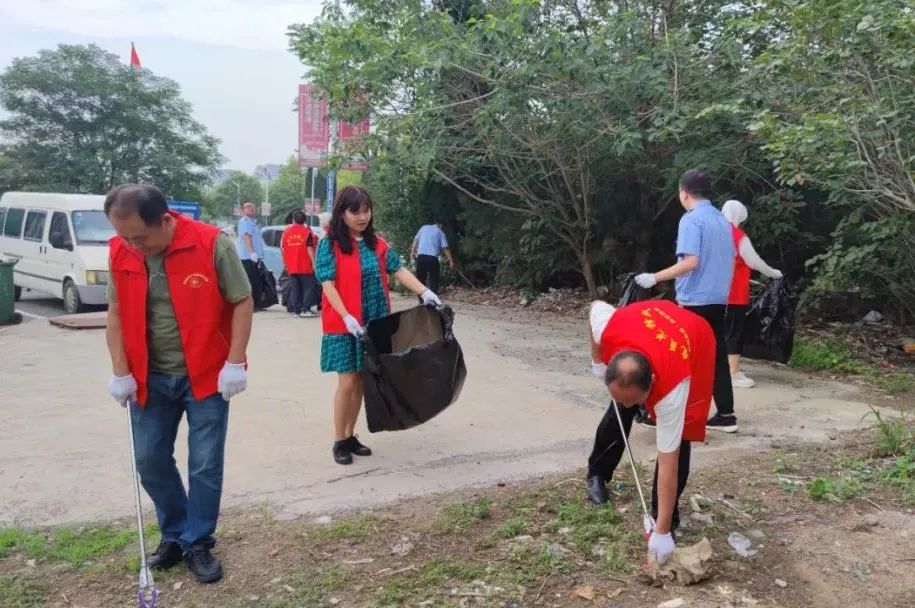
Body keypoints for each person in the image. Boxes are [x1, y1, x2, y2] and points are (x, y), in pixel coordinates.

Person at [104, 184, 253, 583]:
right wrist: (120, 370)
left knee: (204, 463)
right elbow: (116, 310)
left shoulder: (210, 244)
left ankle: (198, 540)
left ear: (166, 220)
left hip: (206, 373)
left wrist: (235, 362)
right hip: (148, 376)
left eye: (141, 237)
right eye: (126, 238)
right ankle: (175, 532)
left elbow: (242, 300)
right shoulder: (121, 251)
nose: (135, 245)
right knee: (150, 459)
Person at [317, 186, 442, 465]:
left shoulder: (377, 244)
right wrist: (346, 316)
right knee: (347, 381)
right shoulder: (330, 244)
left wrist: (424, 292)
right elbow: (327, 283)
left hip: (374, 323)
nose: (362, 217)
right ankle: (339, 440)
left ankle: (350, 435)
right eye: (355, 211)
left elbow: (397, 269)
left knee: (362, 379)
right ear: (342, 213)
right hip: (344, 325)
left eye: (366, 210)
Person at [586, 299, 715, 564]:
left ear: (652, 384)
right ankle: (597, 474)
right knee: (618, 413)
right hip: (646, 324)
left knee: (681, 434)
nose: (627, 404)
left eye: (635, 400)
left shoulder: (673, 388)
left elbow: (669, 461)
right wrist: (597, 359)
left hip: (694, 340)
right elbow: (594, 307)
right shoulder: (608, 326)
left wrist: (663, 531)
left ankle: (662, 516)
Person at [634, 169, 737, 432]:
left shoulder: (692, 220)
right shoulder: (723, 222)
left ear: (684, 193)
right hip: (718, 298)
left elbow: (690, 262)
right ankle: (726, 415)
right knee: (716, 357)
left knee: (676, 357)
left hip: (694, 300)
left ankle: (667, 416)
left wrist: (654, 278)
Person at [721, 200, 783, 388]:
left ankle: (713, 369)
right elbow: (754, 261)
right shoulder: (738, 235)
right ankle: (732, 372)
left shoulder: (711, 233)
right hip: (734, 294)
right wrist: (774, 273)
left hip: (710, 293)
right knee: (733, 332)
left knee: (715, 332)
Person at [281, 209, 318, 317]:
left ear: (293, 220)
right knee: (308, 287)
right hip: (305, 265)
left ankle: (296, 311)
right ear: (304, 220)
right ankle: (305, 309)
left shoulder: (286, 233)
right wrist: (314, 264)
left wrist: (285, 263)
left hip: (291, 266)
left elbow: (282, 248)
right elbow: (310, 248)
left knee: (295, 288)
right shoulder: (307, 232)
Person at [410, 221, 455, 295]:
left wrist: (412, 252)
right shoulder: (440, 232)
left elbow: (415, 240)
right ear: (441, 225)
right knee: (434, 280)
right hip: (432, 259)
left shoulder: (423, 228)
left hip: (421, 257)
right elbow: (445, 248)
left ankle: (422, 301)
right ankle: (433, 300)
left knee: (420, 281)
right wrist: (451, 260)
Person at [236, 201, 266, 308]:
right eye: (247, 207)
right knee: (251, 281)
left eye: (252, 206)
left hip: (254, 257)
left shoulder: (253, 222)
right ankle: (252, 304)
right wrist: (252, 252)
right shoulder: (245, 221)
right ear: (243, 210)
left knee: (256, 280)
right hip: (247, 257)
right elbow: (246, 237)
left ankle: (257, 303)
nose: (250, 209)